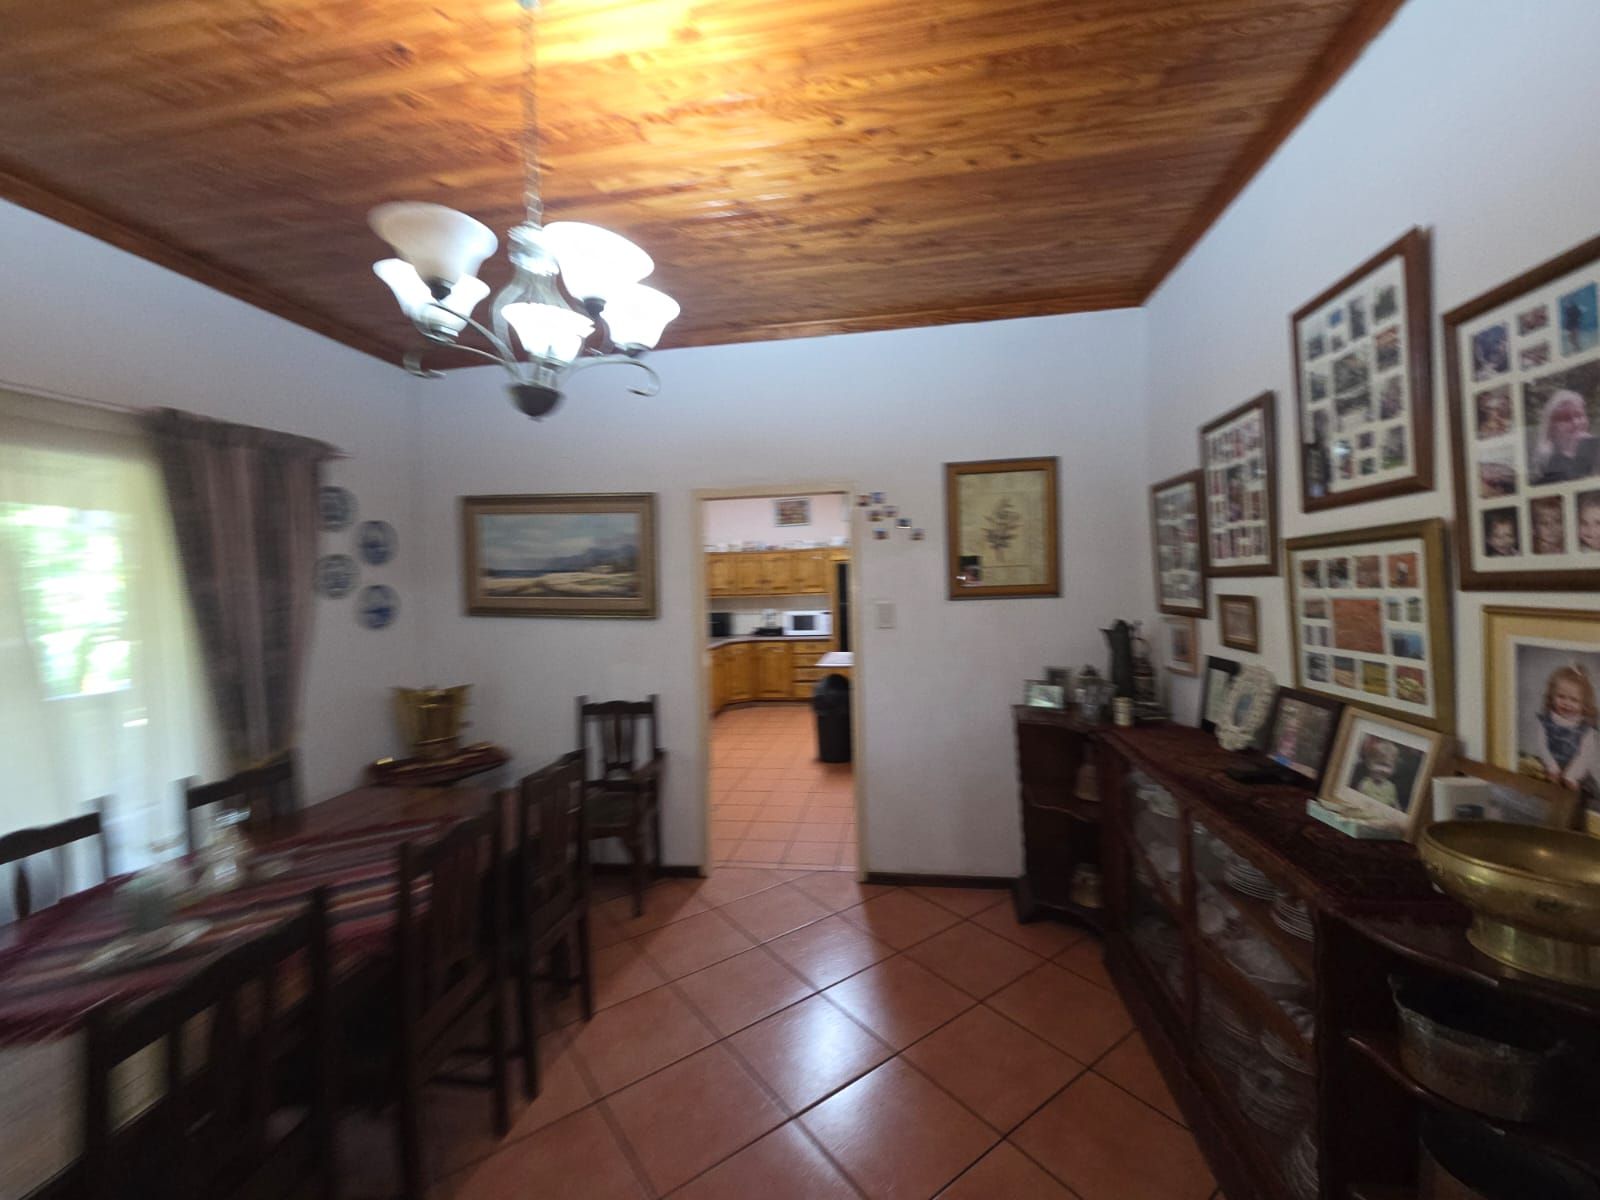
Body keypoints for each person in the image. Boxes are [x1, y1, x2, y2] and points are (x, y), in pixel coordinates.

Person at [1532, 665, 1599, 792]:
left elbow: (1585, 756)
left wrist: (1571, 776)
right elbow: (1542, 746)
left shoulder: (1586, 729)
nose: (1567, 703)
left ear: (1584, 704)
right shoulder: (1546, 721)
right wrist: (1552, 767)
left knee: (1580, 797)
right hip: (1551, 769)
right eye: (1561, 696)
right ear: (1552, 696)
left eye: (1574, 700)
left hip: (1576, 774)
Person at [1533, 390, 1600, 484]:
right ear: (1551, 430)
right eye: (1566, 418)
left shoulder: (1595, 450)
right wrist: (1568, 453)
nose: (1576, 423)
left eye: (1579, 415)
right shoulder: (1549, 467)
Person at [1355, 739, 1401, 808]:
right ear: (1369, 764)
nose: (1382, 769)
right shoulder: (1365, 784)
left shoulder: (1391, 787)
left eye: (1387, 766)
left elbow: (1394, 805)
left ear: (1393, 769)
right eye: (1378, 764)